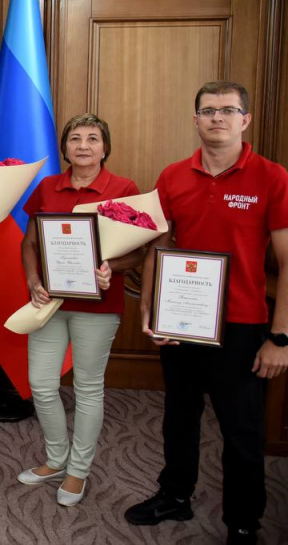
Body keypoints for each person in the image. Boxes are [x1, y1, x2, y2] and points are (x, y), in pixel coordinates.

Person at [125, 82, 288, 545]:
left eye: (228, 110)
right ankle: (175, 494)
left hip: (242, 325)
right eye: (209, 110)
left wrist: (280, 337)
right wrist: (150, 310)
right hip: (181, 319)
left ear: (245, 120)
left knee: (241, 428)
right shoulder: (173, 176)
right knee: (179, 415)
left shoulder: (272, 177)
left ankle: (243, 522)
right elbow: (159, 246)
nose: (218, 117)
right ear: (195, 119)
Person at [18, 113, 142, 506]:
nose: (83, 146)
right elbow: (30, 242)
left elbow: (138, 251)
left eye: (92, 139)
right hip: (49, 302)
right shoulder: (47, 187)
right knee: (41, 383)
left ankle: (78, 470)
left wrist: (111, 267)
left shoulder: (123, 189)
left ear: (105, 147)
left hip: (98, 306)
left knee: (88, 387)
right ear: (64, 148)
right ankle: (57, 459)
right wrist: (32, 280)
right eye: (75, 139)